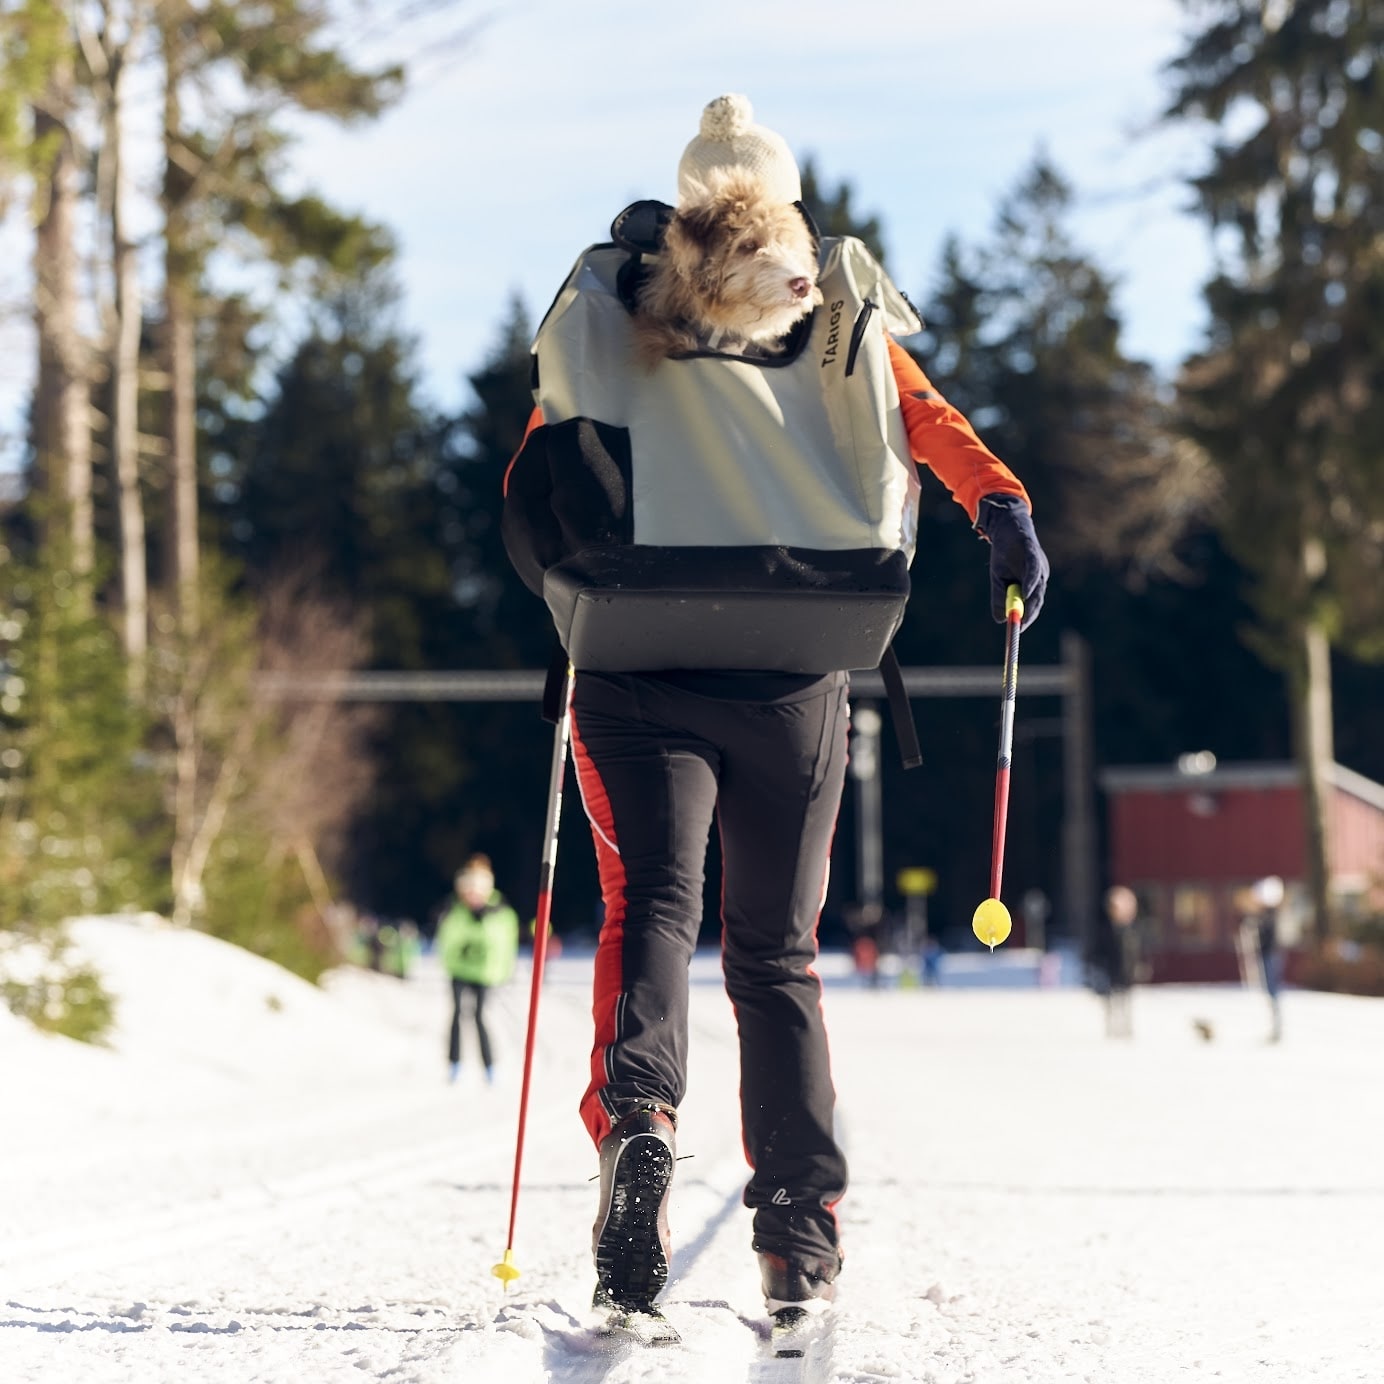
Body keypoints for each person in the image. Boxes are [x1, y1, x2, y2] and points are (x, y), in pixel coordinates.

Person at [501, 94, 1049, 1323]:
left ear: (686, 204)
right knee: (776, 957)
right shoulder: (831, 304)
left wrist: (566, 597)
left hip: (637, 654)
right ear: (787, 207)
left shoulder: (612, 301)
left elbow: (540, 469)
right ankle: (797, 1232)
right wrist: (1002, 511)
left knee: (649, 906)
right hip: (799, 657)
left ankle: (637, 1115)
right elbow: (929, 428)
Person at [435, 854, 520, 1084]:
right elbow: (447, 939)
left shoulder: (499, 910)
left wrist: (504, 972)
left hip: (486, 973)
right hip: (460, 970)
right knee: (456, 1014)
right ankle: (454, 1064)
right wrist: (465, 920)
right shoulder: (455, 910)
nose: (472, 895)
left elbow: (504, 944)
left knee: (480, 1016)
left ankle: (490, 1066)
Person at [1240, 875, 1285, 1043]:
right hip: (1267, 955)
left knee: (1272, 991)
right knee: (1269, 992)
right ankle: (1272, 1026)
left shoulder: (1270, 914)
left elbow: (1268, 935)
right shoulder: (1266, 914)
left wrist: (1255, 925)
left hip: (1270, 956)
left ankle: (1276, 1028)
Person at [1095, 884, 1140, 1038]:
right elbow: (1099, 954)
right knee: (1113, 1004)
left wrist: (1137, 967)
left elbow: (1135, 954)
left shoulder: (1132, 932)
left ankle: (1126, 1030)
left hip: (1126, 976)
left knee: (1126, 1004)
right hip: (1111, 976)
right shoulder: (1105, 932)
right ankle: (1112, 1030)